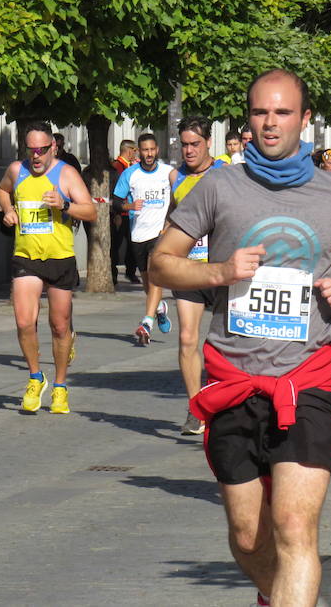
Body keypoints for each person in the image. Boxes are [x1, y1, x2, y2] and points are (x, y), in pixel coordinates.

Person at [149, 69, 331, 606]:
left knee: (294, 527)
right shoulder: (218, 186)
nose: (270, 123)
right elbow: (160, 262)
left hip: (307, 380)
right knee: (248, 537)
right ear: (247, 119)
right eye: (260, 112)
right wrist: (220, 272)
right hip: (233, 378)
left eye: (282, 112)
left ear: (305, 119)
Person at [0, 121, 96, 415]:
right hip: (25, 256)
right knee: (25, 322)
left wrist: (64, 205)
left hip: (60, 258)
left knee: (59, 326)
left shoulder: (66, 174)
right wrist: (9, 210)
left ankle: (61, 386)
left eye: (42, 149)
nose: (36, 156)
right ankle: (35, 377)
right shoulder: (17, 170)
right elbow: (2, 190)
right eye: (31, 150)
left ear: (53, 147)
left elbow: (90, 211)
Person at [168, 116, 227, 436]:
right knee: (188, 337)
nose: (189, 150)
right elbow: (171, 220)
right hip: (188, 269)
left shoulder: (226, 175)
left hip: (220, 270)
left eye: (195, 144)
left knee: (222, 343)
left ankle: (224, 401)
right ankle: (195, 407)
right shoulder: (175, 176)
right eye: (184, 144)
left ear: (208, 144)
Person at [113, 133, 177, 345]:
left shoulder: (169, 172)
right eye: (145, 150)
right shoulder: (130, 174)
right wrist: (129, 206)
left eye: (152, 150)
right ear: (139, 152)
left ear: (157, 150)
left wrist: (170, 223)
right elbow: (115, 202)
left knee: (156, 277)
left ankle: (147, 322)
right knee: (148, 282)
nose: (149, 154)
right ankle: (159, 309)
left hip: (160, 234)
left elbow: (180, 198)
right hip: (138, 233)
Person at [110, 139, 139, 284]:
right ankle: (113, 273)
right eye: (135, 150)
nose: (136, 153)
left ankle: (131, 271)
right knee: (116, 244)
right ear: (129, 150)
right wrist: (116, 213)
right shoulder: (117, 167)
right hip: (121, 212)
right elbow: (115, 193)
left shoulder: (132, 167)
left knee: (132, 244)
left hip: (131, 212)